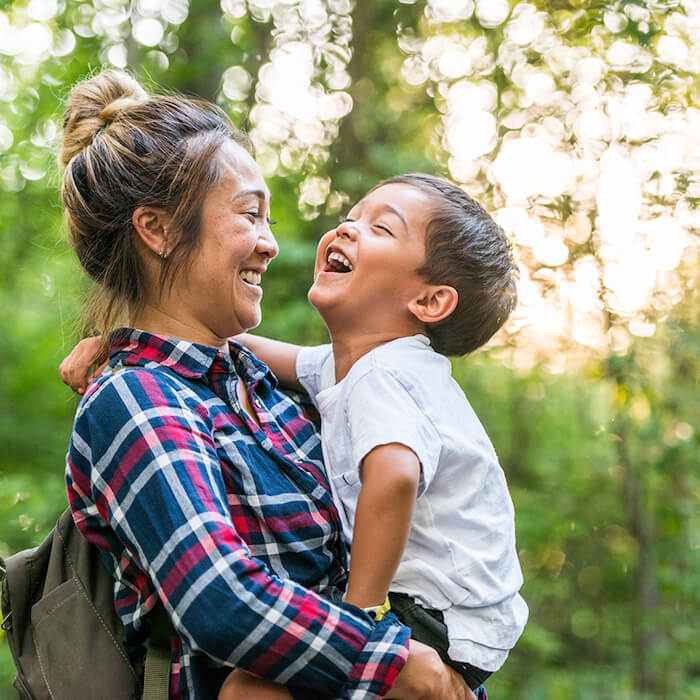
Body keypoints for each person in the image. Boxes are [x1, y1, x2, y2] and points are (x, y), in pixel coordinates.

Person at [57, 69, 476, 700]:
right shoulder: (135, 399)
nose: (271, 244)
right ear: (159, 230)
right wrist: (401, 667)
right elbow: (221, 598)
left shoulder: (270, 389)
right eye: (250, 214)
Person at [215, 174, 529, 699]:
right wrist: (122, 339)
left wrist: (359, 618)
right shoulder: (352, 365)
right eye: (352, 215)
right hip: (460, 623)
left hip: (439, 615)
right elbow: (232, 343)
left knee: (252, 692)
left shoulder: (384, 374)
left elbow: (395, 476)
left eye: (381, 227)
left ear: (429, 302)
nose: (347, 228)